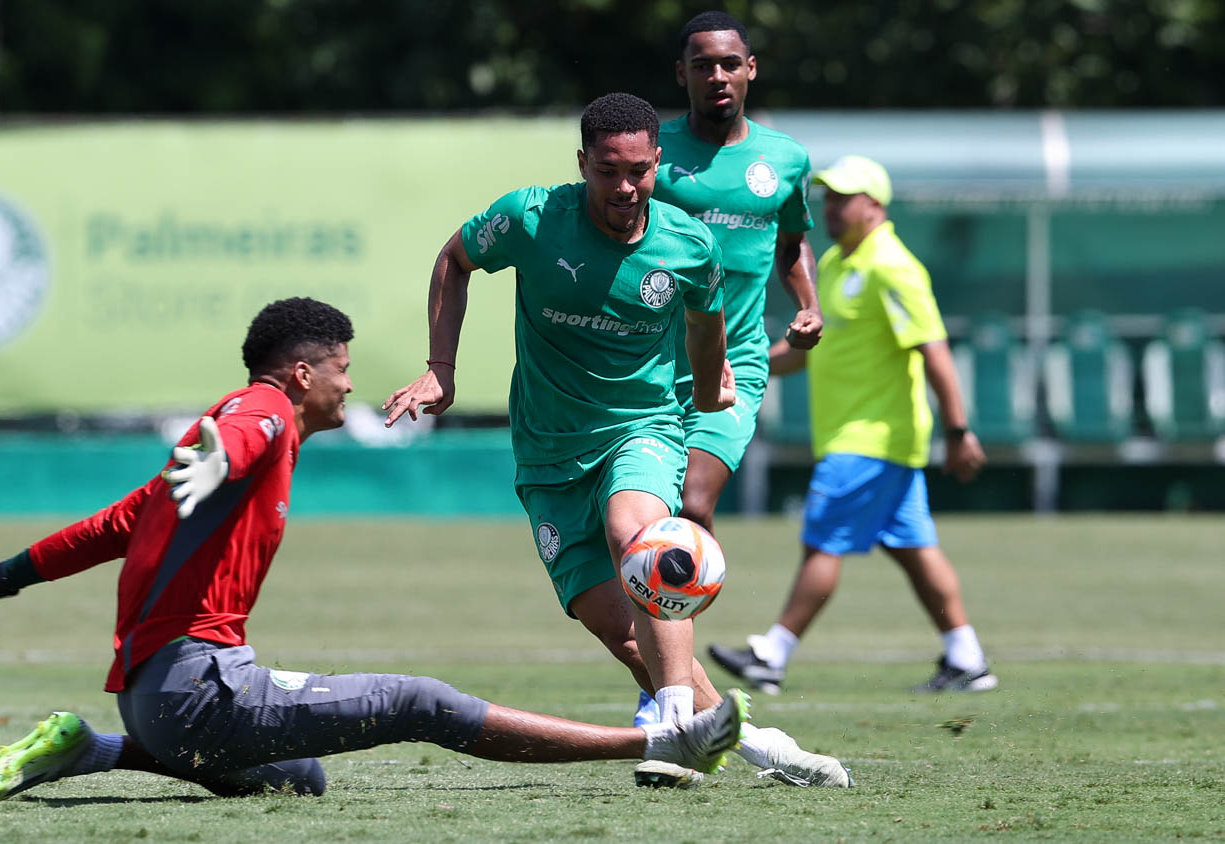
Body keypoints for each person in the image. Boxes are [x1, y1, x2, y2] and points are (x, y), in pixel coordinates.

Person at [0, 296, 751, 800]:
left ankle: (90, 751)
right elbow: (240, 432)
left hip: (153, 705)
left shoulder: (216, 456)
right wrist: (219, 454)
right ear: (305, 374)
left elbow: (106, 531)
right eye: (342, 366)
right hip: (199, 691)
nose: (351, 381)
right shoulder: (262, 415)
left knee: (301, 779)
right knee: (420, 701)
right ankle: (659, 743)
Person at [381, 93, 850, 788]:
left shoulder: (688, 244)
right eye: (608, 172)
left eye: (639, 170)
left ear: (656, 162)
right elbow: (455, 260)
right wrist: (440, 369)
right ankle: (756, 745)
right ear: (583, 165)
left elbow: (706, 322)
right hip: (546, 452)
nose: (626, 187)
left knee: (643, 537)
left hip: (643, 428)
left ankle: (666, 733)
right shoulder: (531, 218)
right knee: (625, 633)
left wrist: (710, 383)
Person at [707, 156, 998, 695]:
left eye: (844, 198)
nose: (832, 208)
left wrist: (958, 431)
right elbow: (806, 354)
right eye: (828, 197)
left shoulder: (892, 265)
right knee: (914, 549)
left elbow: (933, 349)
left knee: (823, 543)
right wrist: (742, 367)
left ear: (875, 205)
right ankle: (967, 657)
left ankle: (772, 654)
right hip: (865, 438)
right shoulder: (840, 265)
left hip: (871, 438)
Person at [634, 9, 824, 726]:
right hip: (652, 366)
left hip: (735, 365)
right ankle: (668, 691)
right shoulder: (654, 152)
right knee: (645, 523)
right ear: (681, 74)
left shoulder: (787, 159)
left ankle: (663, 700)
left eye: (729, 63)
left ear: (751, 70)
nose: (716, 75)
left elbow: (792, 243)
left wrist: (806, 303)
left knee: (693, 505)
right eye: (701, 64)